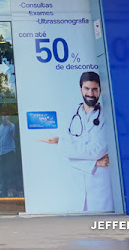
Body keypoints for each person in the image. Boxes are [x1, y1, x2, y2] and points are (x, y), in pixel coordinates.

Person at [38, 71, 113, 212]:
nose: (90, 93)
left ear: (100, 90)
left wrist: (68, 146)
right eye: (87, 88)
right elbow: (64, 150)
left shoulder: (107, 115)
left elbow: (98, 150)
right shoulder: (70, 113)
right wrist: (94, 163)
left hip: (100, 186)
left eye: (95, 89)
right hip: (76, 185)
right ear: (81, 89)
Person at [0, 111, 19, 196]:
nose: (4, 117)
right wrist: (0, 152)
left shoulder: (11, 125)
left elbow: (11, 131)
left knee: (11, 171)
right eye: (3, 116)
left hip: (10, 152)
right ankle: (4, 192)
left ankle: (14, 191)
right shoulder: (1, 126)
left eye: (5, 116)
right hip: (3, 152)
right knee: (3, 173)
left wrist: (7, 122)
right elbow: (1, 139)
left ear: (8, 117)